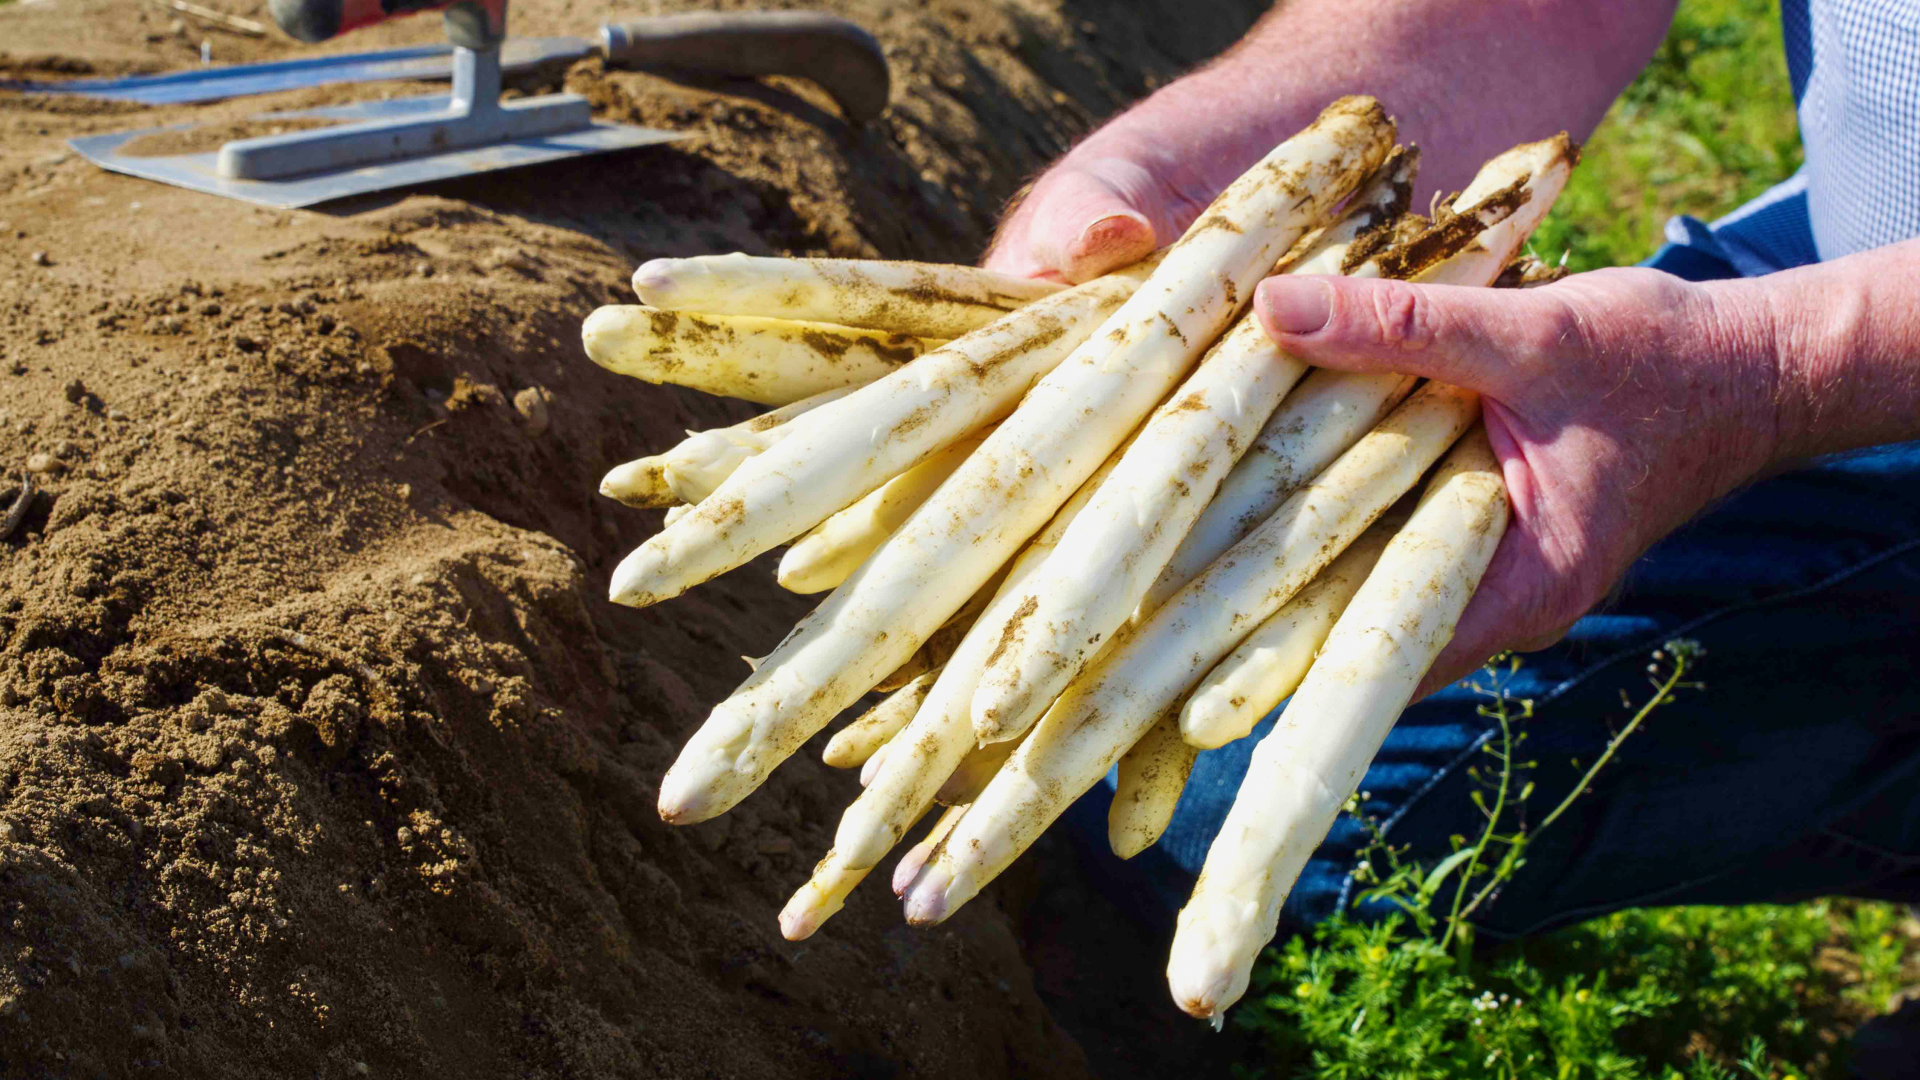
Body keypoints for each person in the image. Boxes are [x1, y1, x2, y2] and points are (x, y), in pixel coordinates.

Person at [994, 0, 1920, 992]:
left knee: (1281, 818)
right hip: (1860, 236)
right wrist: (1255, 150)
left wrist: (1763, 371)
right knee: (1154, 751)